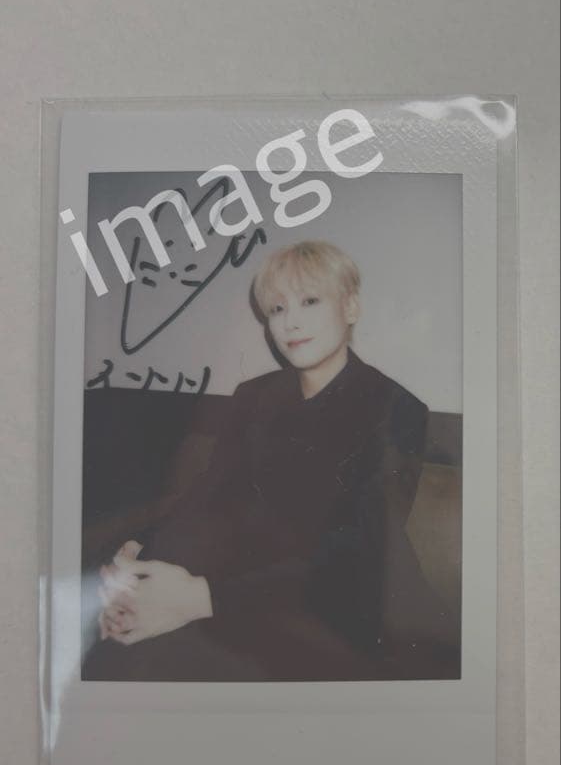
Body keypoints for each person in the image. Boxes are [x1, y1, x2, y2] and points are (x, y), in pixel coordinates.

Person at [83, 240, 460, 682]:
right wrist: (140, 559)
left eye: (310, 301)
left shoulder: (396, 408)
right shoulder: (254, 396)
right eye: (277, 309)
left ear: (350, 307)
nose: (289, 322)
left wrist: (199, 598)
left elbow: (357, 557)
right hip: (236, 583)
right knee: (118, 653)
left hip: (337, 609)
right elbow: (208, 497)